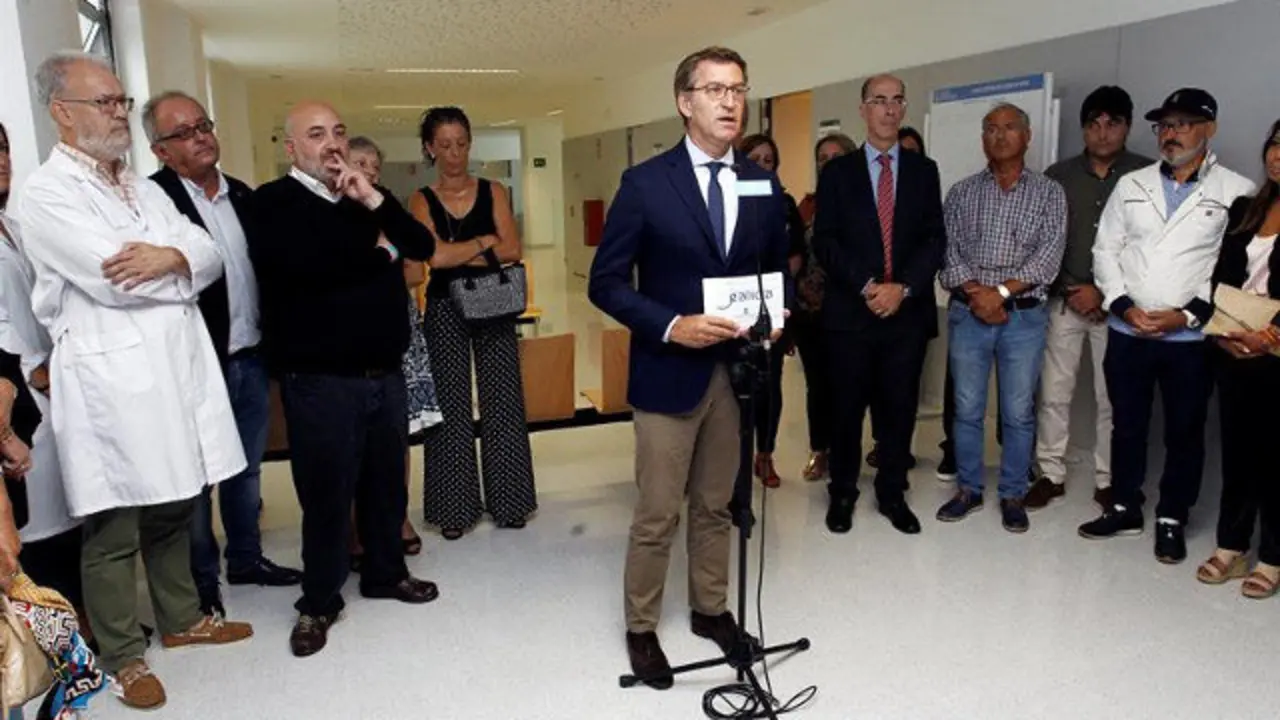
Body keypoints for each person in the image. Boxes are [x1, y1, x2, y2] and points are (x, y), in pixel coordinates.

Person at [16, 51, 253, 710]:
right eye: (105, 103)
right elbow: (111, 279)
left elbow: (205, 255)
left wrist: (173, 256)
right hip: (112, 375)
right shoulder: (47, 194)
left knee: (177, 502)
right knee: (116, 522)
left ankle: (182, 621)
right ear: (63, 112)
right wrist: (171, 263)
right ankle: (121, 656)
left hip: (172, 365)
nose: (119, 113)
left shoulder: (141, 185)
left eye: (121, 101)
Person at [589, 46, 790, 690]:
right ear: (685, 102)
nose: (730, 101)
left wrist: (774, 313)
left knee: (716, 505)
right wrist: (672, 324)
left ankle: (712, 610)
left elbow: (771, 268)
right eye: (715, 90)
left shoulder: (762, 182)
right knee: (657, 511)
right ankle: (641, 626)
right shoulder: (645, 184)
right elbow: (606, 283)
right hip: (668, 371)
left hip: (736, 373)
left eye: (738, 89)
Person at [251, 101, 440, 658]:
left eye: (338, 131)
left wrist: (375, 201)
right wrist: (381, 256)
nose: (331, 143)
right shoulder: (271, 204)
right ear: (292, 148)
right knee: (327, 493)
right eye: (315, 135)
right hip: (320, 379)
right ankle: (318, 600)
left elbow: (423, 249)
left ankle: (385, 572)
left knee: (386, 483)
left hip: (383, 370)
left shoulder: (365, 200)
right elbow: (308, 269)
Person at [143, 91, 303, 617]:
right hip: (195, 363)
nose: (200, 136)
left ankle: (247, 559)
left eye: (203, 125)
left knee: (246, 468)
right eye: (183, 132)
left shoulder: (242, 196)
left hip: (250, 356)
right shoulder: (153, 203)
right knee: (195, 475)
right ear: (161, 150)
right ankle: (200, 581)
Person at [1080, 88, 1254, 564]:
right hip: (1129, 331)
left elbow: (1233, 268)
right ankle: (1124, 505)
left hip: (1189, 339)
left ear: (1209, 129)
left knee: (1185, 430)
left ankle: (1172, 516)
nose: (1171, 135)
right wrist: (1123, 306)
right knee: (1127, 424)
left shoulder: (1236, 191)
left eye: (1183, 124)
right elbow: (1106, 250)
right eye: (1164, 126)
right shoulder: (1132, 184)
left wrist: (1188, 313)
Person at [812, 74, 944, 536]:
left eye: (896, 101)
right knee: (846, 410)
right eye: (878, 101)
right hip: (851, 314)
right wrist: (869, 285)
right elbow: (825, 243)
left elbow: (934, 241)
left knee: (898, 410)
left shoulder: (924, 172)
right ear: (863, 110)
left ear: (904, 109)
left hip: (904, 316)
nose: (888, 109)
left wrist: (901, 287)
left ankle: (892, 493)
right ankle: (842, 493)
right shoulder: (837, 174)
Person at [936, 102, 1067, 534]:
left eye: (1010, 128)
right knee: (968, 408)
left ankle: (1012, 493)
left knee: (1017, 411)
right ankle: (968, 489)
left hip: (1023, 319)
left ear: (1027, 136)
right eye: (991, 129)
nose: (1000, 136)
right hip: (969, 314)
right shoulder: (961, 193)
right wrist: (979, 296)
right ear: (982, 139)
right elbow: (948, 254)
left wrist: (1001, 294)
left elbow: (1047, 259)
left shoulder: (1050, 194)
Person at [409, 106, 536, 540]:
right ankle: (453, 508)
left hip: (495, 302)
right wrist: (484, 241)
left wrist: (459, 248)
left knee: (503, 401)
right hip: (444, 307)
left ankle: (511, 501)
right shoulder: (420, 201)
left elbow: (513, 248)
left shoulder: (494, 190)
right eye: (444, 145)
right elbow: (435, 258)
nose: (455, 153)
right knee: (450, 407)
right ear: (430, 148)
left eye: (461, 143)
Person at [1025, 86, 1152, 511]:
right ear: (1083, 128)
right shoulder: (1058, 177)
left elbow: (1149, 248)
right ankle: (1050, 473)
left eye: (1112, 123)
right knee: (1054, 393)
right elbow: (1044, 241)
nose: (1102, 133)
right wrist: (1070, 289)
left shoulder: (1146, 177)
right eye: (1094, 124)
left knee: (1111, 398)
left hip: (1119, 309)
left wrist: (1108, 294)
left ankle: (1107, 478)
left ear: (1127, 126)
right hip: (1065, 301)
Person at [0, 121, 85, 627]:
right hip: (16, 392)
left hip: (43, 382)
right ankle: (52, 639)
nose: (3, 159)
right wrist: (33, 371)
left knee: (61, 517)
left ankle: (74, 627)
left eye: (4, 148)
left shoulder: (13, 226)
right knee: (30, 528)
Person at [345, 135, 439, 569]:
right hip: (350, 341)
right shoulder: (333, 213)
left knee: (395, 434)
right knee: (350, 439)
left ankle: (398, 519)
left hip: (398, 332)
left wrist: (376, 265)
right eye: (359, 162)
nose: (369, 170)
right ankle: (355, 527)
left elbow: (416, 272)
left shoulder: (389, 209)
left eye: (375, 165)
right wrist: (382, 264)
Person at [1197, 118, 1280, 598]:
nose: (1277, 155)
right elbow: (1221, 275)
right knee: (1238, 454)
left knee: (1276, 460)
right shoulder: (1247, 208)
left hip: (1276, 351)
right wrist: (1224, 332)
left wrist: (1272, 336)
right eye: (1273, 145)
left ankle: (1271, 557)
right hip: (1233, 346)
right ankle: (1232, 546)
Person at [738, 133, 805, 488]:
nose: (763, 166)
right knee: (734, 390)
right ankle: (731, 461)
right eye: (755, 159)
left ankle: (765, 454)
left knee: (769, 388)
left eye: (769, 161)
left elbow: (792, 261)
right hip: (733, 309)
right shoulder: (726, 200)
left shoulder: (784, 204)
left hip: (773, 307)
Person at [792, 133, 856, 484]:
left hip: (849, 311)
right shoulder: (807, 205)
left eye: (836, 155)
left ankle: (847, 452)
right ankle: (820, 451)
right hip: (810, 313)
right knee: (817, 386)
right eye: (822, 156)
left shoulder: (863, 203)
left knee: (848, 385)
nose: (828, 162)